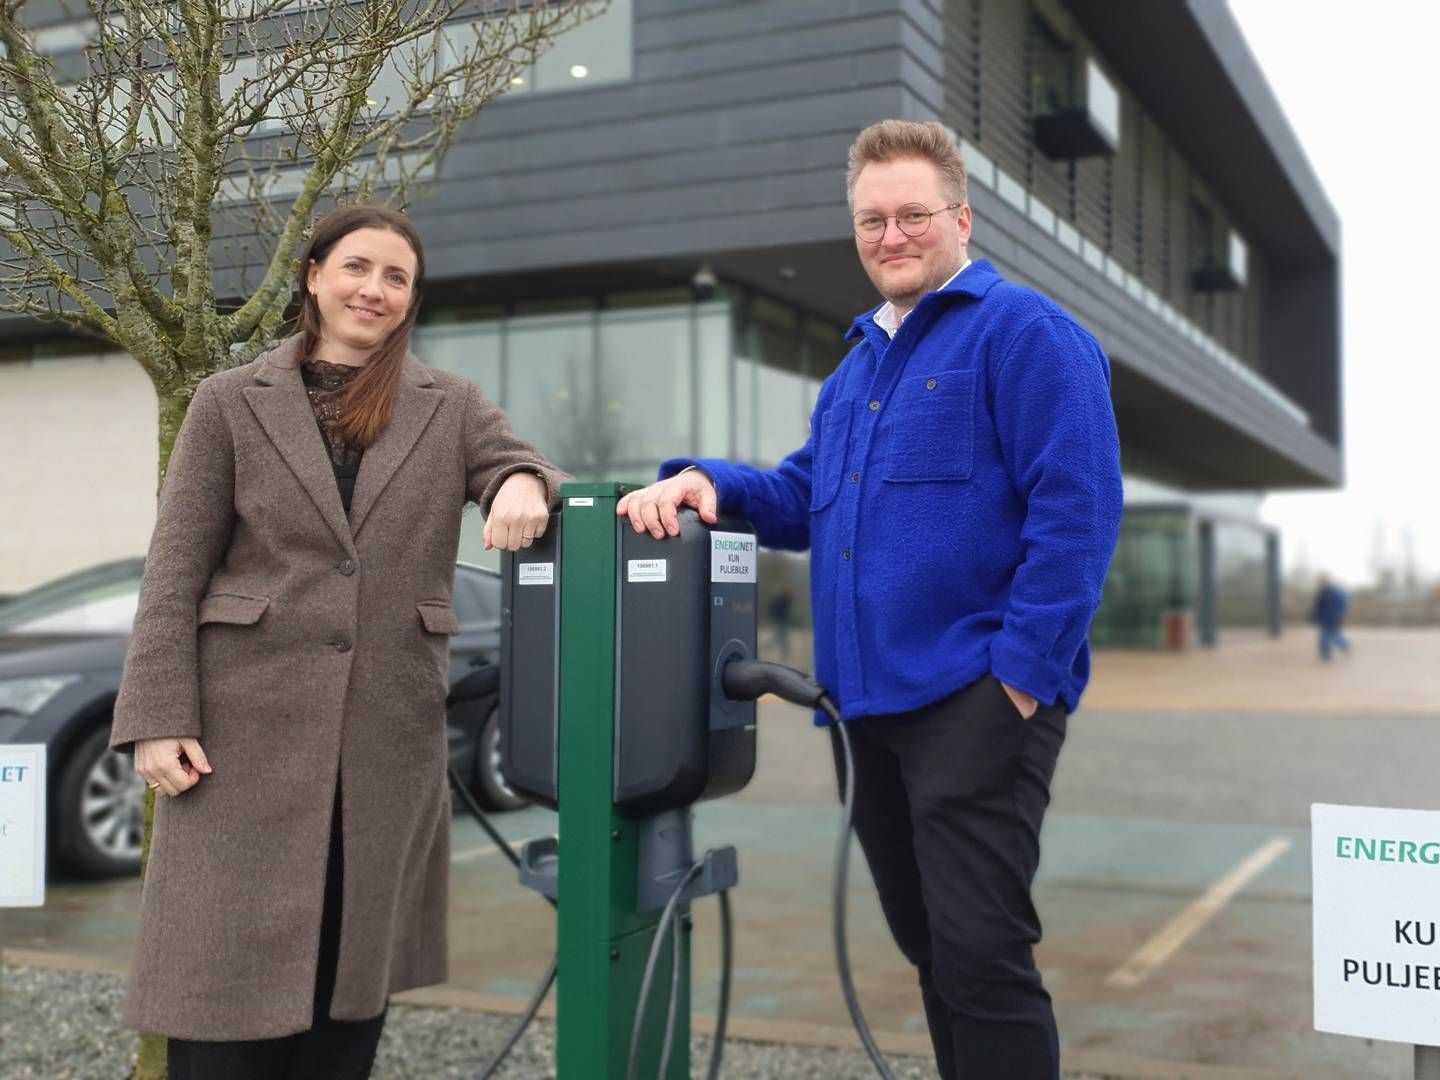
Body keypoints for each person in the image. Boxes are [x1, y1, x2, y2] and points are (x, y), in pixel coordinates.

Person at [618, 120, 1122, 1079]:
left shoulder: (1026, 335)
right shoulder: (857, 371)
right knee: (930, 948)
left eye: (913, 215)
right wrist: (706, 484)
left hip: (974, 702)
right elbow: (805, 498)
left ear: (961, 219)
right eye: (871, 220)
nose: (891, 235)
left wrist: (1020, 676)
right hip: (865, 715)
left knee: (982, 955)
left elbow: (1081, 510)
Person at [109, 205, 565, 1080]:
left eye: (397, 278)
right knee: (217, 1012)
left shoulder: (450, 405)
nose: (375, 290)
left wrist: (520, 480)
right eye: (358, 267)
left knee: (344, 1010)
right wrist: (156, 716)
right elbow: (173, 571)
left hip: (383, 750)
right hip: (236, 747)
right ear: (314, 275)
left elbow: (530, 467)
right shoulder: (228, 402)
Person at [1310, 574, 1351, 661]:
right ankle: (1344, 645)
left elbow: (1318, 607)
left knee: (1326, 636)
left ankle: (1326, 655)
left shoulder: (1324, 593)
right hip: (1335, 617)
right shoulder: (1335, 592)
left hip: (1326, 618)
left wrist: (1313, 616)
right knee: (1332, 634)